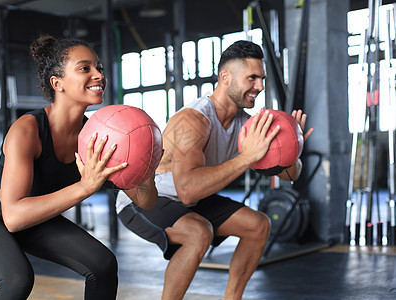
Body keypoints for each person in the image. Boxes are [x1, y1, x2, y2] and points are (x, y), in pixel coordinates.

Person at [0, 35, 157, 299]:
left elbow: (145, 201)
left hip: (35, 216)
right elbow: (13, 218)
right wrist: (84, 187)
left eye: (99, 68)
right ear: (57, 83)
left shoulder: (99, 136)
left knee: (103, 265)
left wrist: (148, 170)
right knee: (17, 279)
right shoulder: (27, 130)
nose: (98, 75)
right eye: (85, 68)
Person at [116, 40, 314, 300]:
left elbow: (291, 175)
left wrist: (291, 149)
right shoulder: (193, 120)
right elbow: (187, 191)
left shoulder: (248, 126)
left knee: (258, 225)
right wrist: (248, 157)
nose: (260, 87)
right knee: (199, 232)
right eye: (252, 78)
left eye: (262, 78)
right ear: (225, 77)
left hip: (193, 198)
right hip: (145, 198)